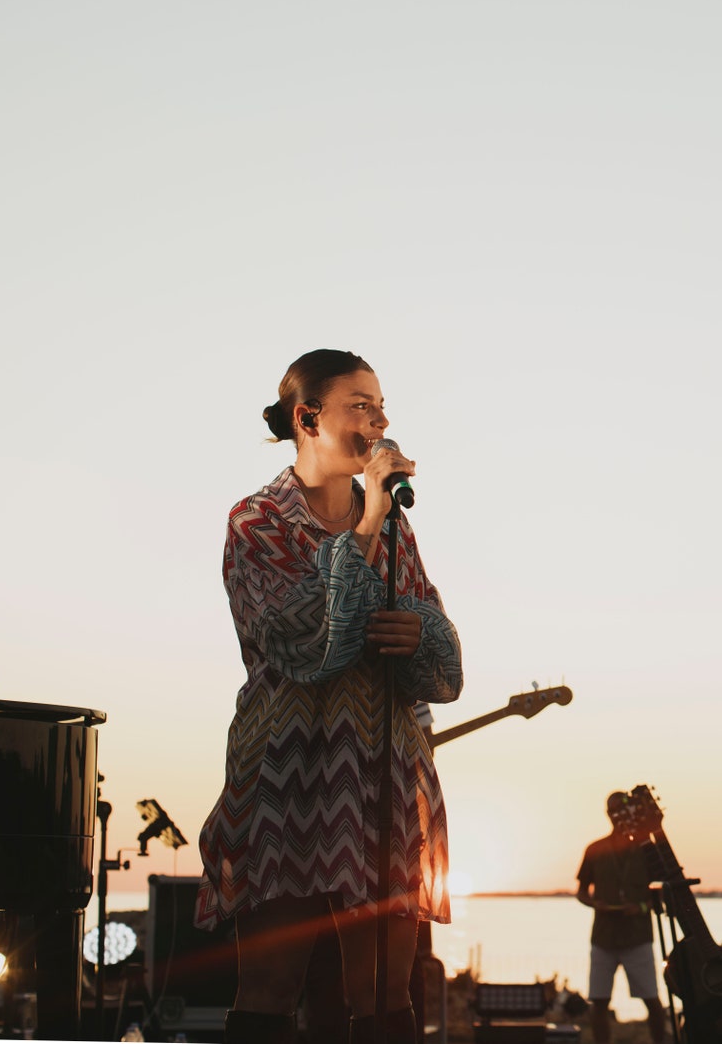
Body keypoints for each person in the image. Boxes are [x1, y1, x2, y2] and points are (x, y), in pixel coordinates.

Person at [196, 349, 463, 1044]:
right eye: (361, 405)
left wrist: (417, 633)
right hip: (289, 778)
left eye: (381, 405)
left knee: (384, 991)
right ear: (307, 416)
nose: (379, 419)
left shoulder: (398, 525)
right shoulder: (257, 521)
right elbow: (305, 646)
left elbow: (444, 672)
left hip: (382, 774)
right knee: (271, 986)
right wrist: (368, 523)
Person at [576, 792, 667, 1044]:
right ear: (608, 814)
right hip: (603, 939)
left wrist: (639, 907)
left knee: (651, 998)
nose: (618, 815)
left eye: (623, 809)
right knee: (599, 1001)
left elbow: (664, 892)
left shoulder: (646, 849)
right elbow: (581, 892)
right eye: (614, 810)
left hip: (638, 938)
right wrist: (596, 904)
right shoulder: (594, 849)